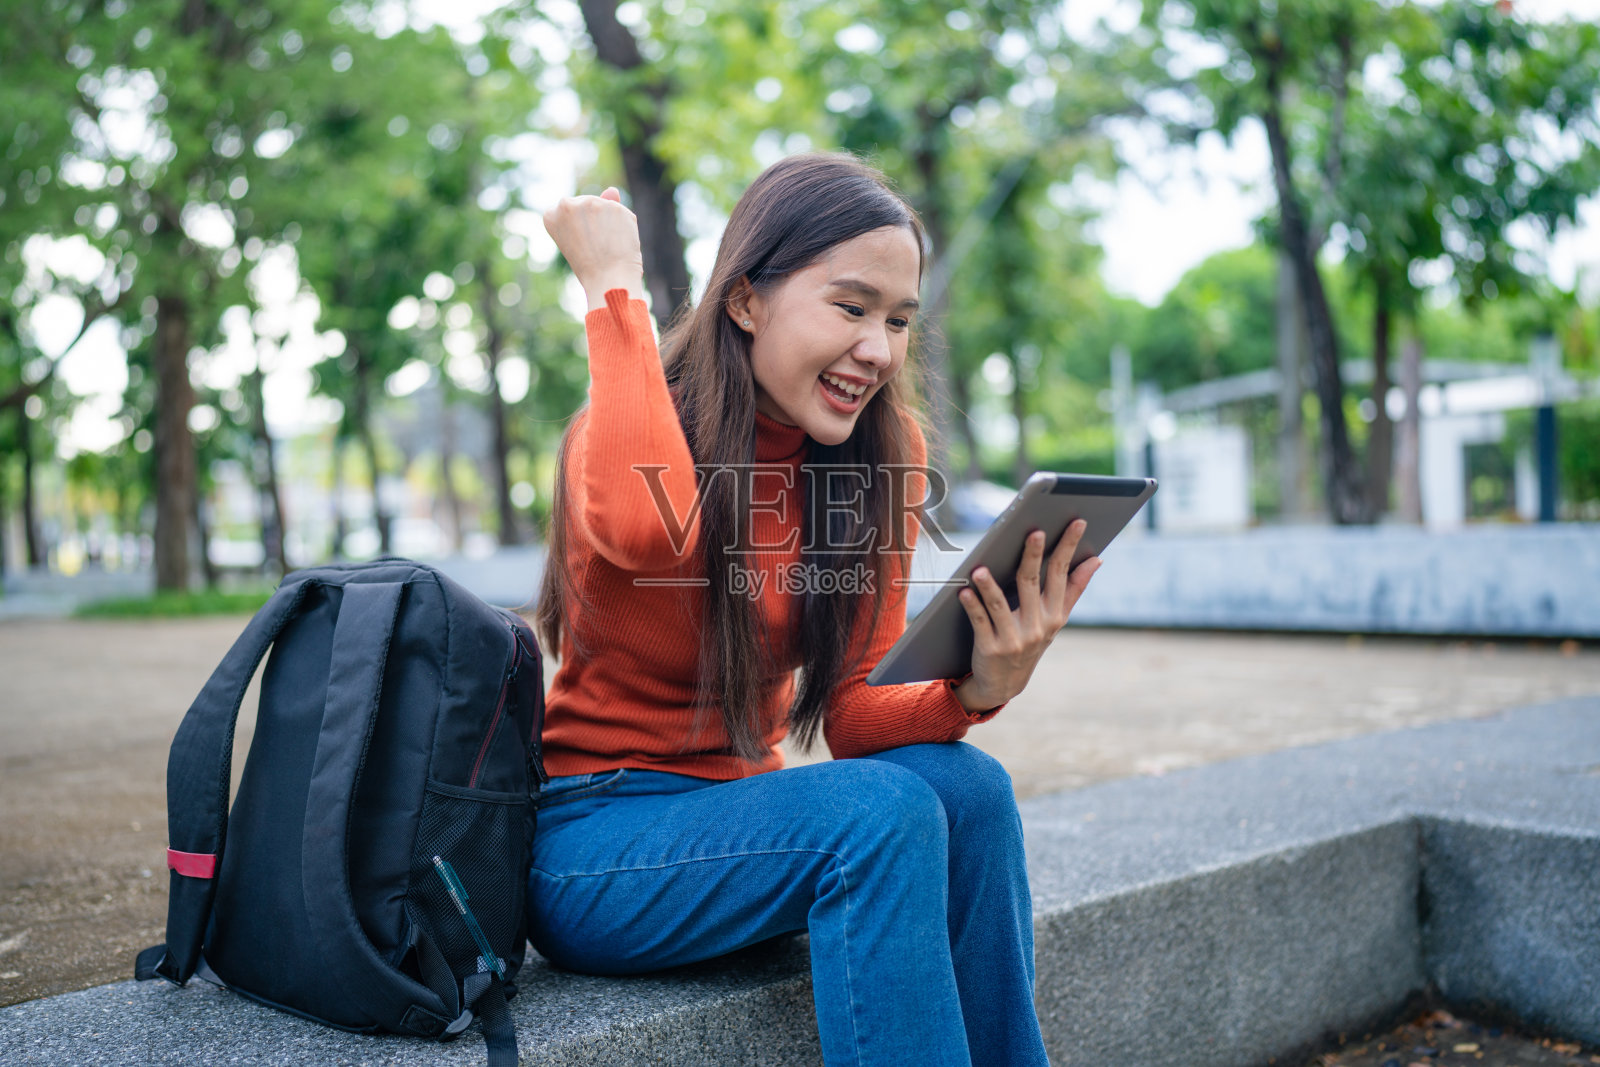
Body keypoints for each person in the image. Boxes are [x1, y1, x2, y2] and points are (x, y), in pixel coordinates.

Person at [529, 152, 1101, 1067]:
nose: (878, 348)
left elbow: (854, 714)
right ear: (746, 300)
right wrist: (612, 289)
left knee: (972, 790)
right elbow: (645, 531)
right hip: (598, 843)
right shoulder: (629, 423)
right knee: (878, 814)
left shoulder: (881, 452)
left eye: (899, 319)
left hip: (747, 824)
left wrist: (977, 685)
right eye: (851, 307)